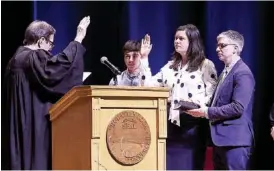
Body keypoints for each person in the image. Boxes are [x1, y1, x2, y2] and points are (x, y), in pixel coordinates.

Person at [2, 16, 90, 170]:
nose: (51, 48)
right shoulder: (33, 57)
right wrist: (78, 39)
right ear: (41, 40)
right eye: (50, 43)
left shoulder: (13, 61)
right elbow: (56, 71)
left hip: (19, 130)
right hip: (35, 128)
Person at [141, 24, 218, 170]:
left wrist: (196, 106)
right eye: (176, 38)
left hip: (192, 127)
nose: (177, 41)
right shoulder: (170, 66)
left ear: (192, 41)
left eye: (181, 38)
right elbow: (148, 86)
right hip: (170, 127)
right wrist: (144, 58)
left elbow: (212, 94)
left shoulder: (205, 65)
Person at [186, 30, 255, 170]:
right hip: (220, 141)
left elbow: (238, 107)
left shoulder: (243, 73)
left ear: (236, 48)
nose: (218, 49)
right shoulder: (225, 71)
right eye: (217, 45)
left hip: (235, 142)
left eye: (222, 45)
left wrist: (207, 112)